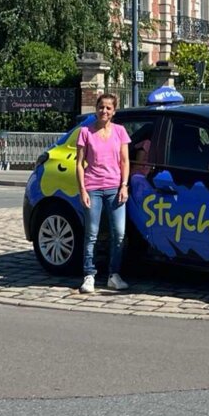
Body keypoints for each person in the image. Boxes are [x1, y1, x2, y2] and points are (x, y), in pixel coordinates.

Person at [76, 93, 131, 294]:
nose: (104, 111)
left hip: (115, 188)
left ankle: (113, 275)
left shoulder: (120, 132)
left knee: (119, 233)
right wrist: (83, 190)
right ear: (96, 109)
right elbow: (80, 164)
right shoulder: (85, 132)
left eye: (108, 108)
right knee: (91, 234)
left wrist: (124, 185)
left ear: (114, 111)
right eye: (101, 107)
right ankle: (89, 275)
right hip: (93, 187)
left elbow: (125, 161)